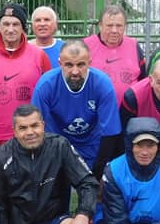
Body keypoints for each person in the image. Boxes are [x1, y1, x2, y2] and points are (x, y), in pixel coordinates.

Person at [0, 3, 51, 176]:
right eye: (5, 24)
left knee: (30, 188)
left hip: (29, 135)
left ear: (23, 28)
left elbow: (48, 96)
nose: (10, 29)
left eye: (15, 24)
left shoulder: (39, 56)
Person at [31, 40, 120, 177]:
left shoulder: (102, 84)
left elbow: (110, 132)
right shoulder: (46, 85)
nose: (75, 71)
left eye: (81, 64)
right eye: (68, 65)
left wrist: (97, 173)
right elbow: (36, 126)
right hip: (58, 145)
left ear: (89, 63)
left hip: (92, 146)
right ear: (60, 63)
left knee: (92, 192)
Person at [83, 4, 146, 104]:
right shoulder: (85, 46)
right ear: (100, 26)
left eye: (119, 26)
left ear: (125, 26)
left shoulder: (134, 45)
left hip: (128, 112)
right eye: (109, 25)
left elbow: (144, 81)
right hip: (94, 111)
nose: (114, 30)